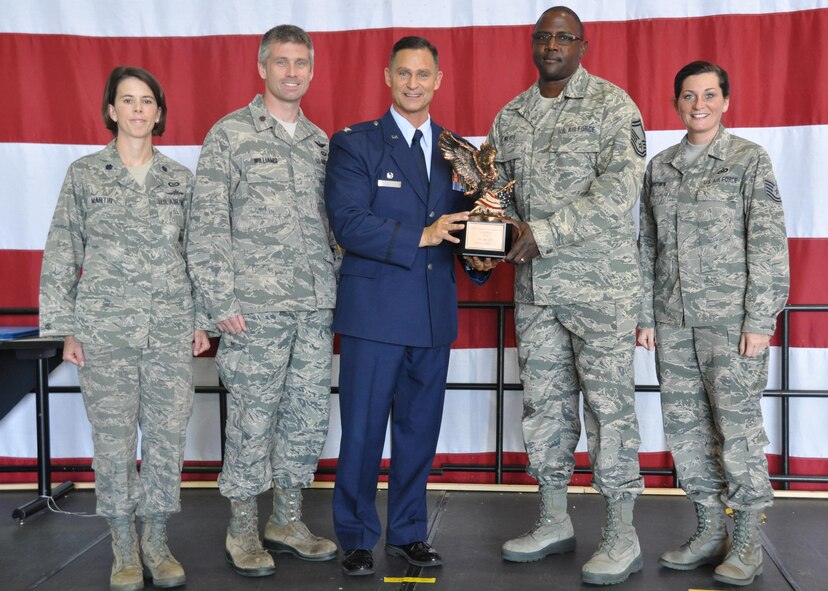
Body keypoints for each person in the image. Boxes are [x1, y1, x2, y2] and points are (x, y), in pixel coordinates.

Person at [486, 6, 647, 585]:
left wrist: (544, 233)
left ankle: (621, 533)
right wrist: (487, 236)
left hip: (599, 291)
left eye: (564, 37)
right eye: (544, 37)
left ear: (582, 45)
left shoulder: (612, 106)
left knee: (609, 411)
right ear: (533, 44)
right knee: (546, 411)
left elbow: (619, 187)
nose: (552, 45)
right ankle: (554, 519)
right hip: (536, 293)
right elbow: (495, 195)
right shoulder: (512, 116)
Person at [324, 36, 490, 576]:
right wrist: (423, 234)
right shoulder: (356, 144)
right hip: (374, 314)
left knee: (419, 433)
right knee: (364, 432)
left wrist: (487, 249)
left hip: (432, 313)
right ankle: (354, 535)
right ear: (388, 79)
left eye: (423, 74)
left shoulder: (460, 152)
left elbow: (470, 230)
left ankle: (408, 533)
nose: (413, 83)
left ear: (438, 80)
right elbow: (348, 222)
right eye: (404, 74)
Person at [39, 66, 209, 591]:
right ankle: (123, 549)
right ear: (111, 110)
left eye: (147, 101)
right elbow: (62, 253)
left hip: (169, 332)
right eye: (126, 100)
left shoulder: (180, 181)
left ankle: (156, 543)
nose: (137, 110)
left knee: (165, 439)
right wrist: (64, 328)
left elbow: (200, 254)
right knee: (113, 444)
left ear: (159, 112)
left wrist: (202, 319)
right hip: (104, 334)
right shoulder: (85, 174)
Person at [186, 24, 338, 577]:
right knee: (253, 420)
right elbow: (205, 226)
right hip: (254, 310)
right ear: (262, 67)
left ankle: (287, 520)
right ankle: (243, 529)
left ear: (312, 70)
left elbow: (334, 229)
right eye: (282, 62)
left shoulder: (322, 143)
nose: (292, 72)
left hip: (315, 309)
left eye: (301, 62)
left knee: (305, 419)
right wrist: (219, 300)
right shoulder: (230, 136)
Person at [637, 61, 789, 587]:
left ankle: (746, 541)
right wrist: (645, 314)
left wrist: (760, 319)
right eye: (688, 96)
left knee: (739, 433)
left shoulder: (749, 160)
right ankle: (707, 531)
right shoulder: (660, 166)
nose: (698, 104)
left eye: (708, 95)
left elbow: (768, 243)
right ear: (676, 103)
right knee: (687, 432)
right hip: (673, 322)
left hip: (731, 325)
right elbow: (646, 246)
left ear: (725, 100)